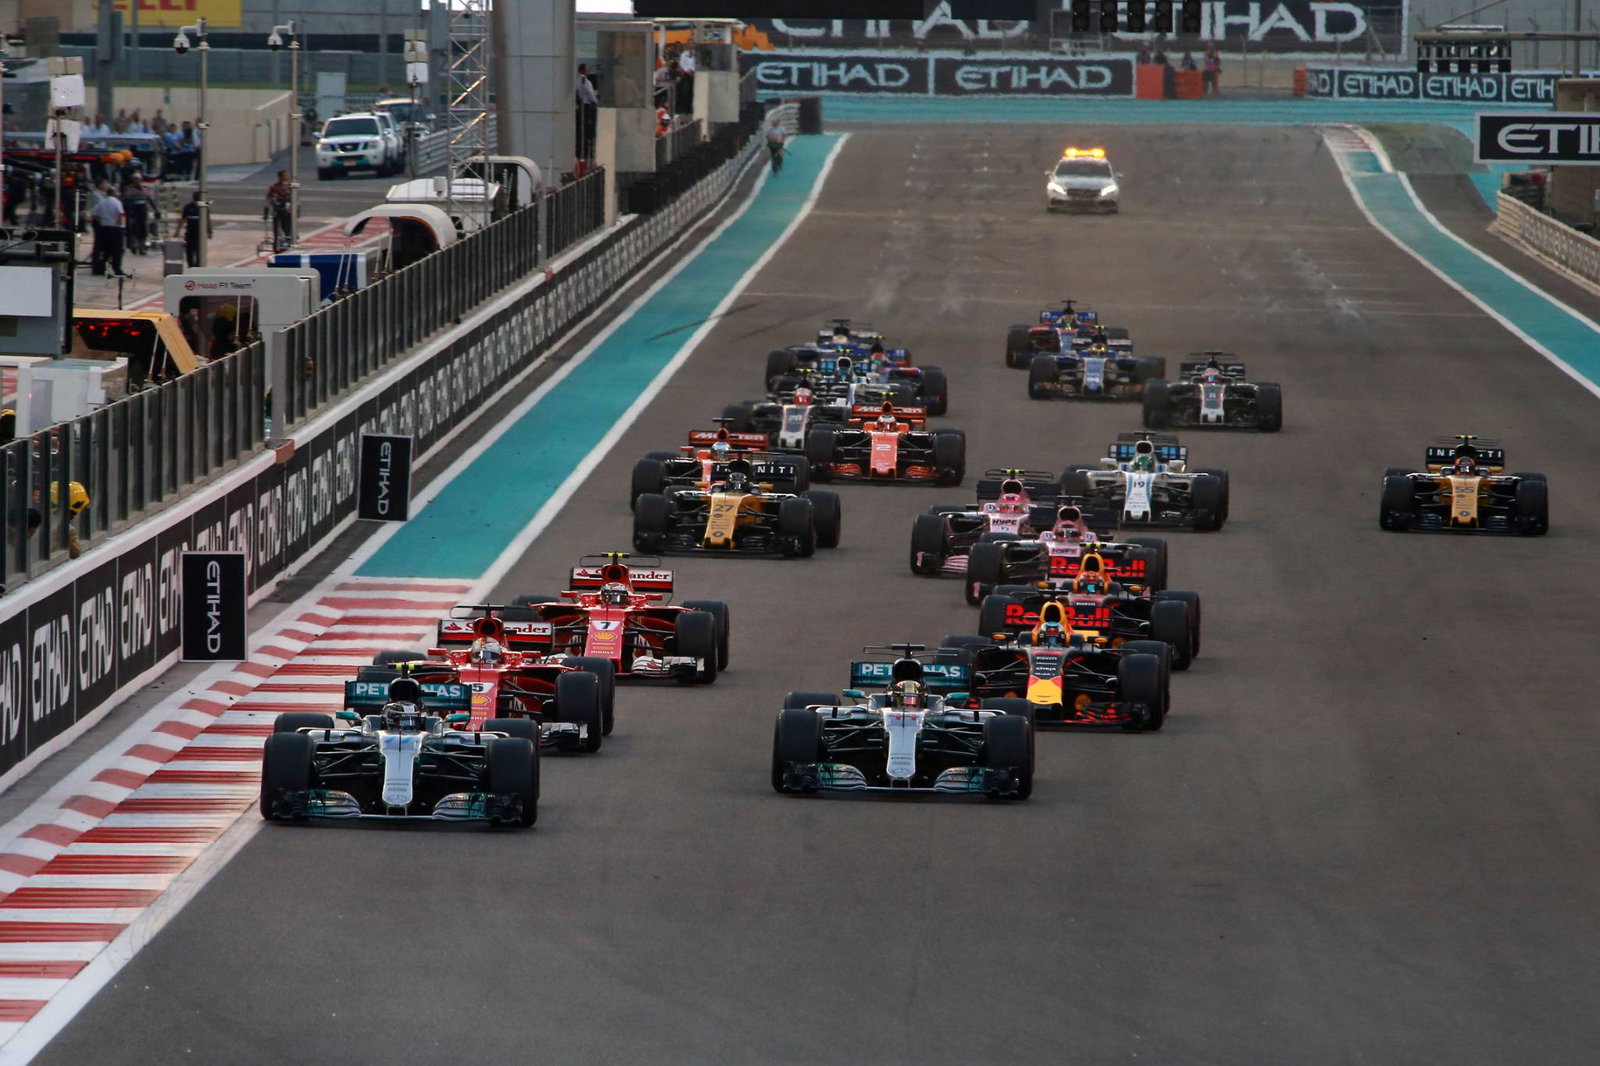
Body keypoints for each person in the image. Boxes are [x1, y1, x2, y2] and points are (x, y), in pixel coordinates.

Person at [90, 186, 126, 277]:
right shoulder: (117, 202)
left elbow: (94, 214)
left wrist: (101, 220)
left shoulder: (102, 202)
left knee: (105, 250)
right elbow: (120, 214)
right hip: (115, 228)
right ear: (114, 193)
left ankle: (101, 268)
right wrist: (120, 224)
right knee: (117, 250)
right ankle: (117, 268)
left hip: (104, 228)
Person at [122, 175, 154, 255]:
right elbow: (125, 200)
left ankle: (142, 247)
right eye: (135, 180)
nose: (137, 181)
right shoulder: (129, 189)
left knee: (144, 231)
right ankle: (134, 245)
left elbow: (150, 199)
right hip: (133, 213)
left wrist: (156, 210)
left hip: (143, 213)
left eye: (139, 180)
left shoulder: (145, 189)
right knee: (133, 230)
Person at [576, 64, 599, 162]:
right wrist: (596, 102)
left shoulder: (578, 80)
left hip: (581, 106)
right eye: (587, 69)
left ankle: (582, 151)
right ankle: (586, 153)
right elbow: (590, 95)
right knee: (587, 131)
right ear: (583, 71)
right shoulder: (585, 81)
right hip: (586, 107)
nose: (589, 71)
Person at [266, 170, 292, 250]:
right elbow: (269, 198)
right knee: (277, 228)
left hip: (287, 211)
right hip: (277, 210)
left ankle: (288, 241)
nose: (287, 177)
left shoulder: (290, 187)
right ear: (280, 177)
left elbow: (294, 199)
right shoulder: (274, 187)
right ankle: (277, 243)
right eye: (285, 175)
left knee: (287, 227)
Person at [181, 190, 207, 267]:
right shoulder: (188, 207)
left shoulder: (204, 207)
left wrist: (209, 230)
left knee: (199, 250)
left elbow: (207, 219)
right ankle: (191, 265)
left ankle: (199, 265)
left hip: (200, 233)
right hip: (190, 232)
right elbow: (183, 219)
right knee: (189, 250)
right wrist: (177, 231)